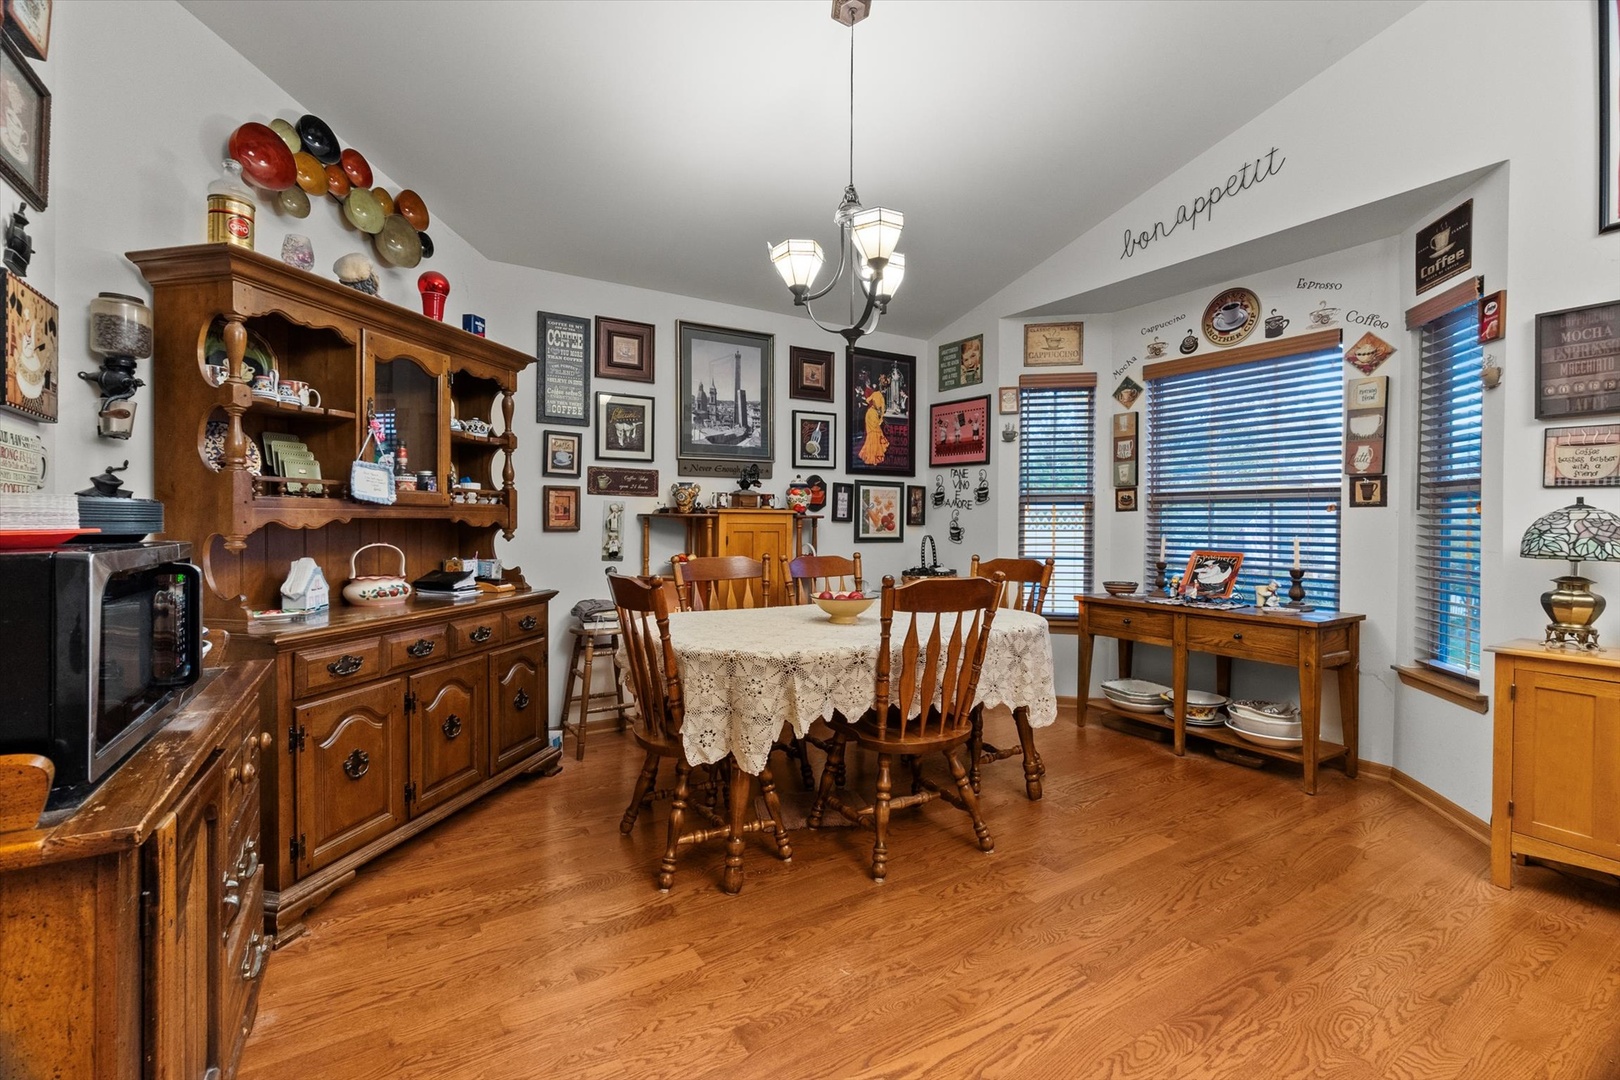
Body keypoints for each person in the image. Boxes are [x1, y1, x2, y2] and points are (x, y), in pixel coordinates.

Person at [858, 374, 890, 466]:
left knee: (872, 435)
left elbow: (867, 400)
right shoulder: (881, 397)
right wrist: (880, 420)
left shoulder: (875, 394)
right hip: (874, 415)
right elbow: (882, 411)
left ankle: (870, 456)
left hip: (869, 414)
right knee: (875, 435)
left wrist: (862, 395)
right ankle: (873, 457)